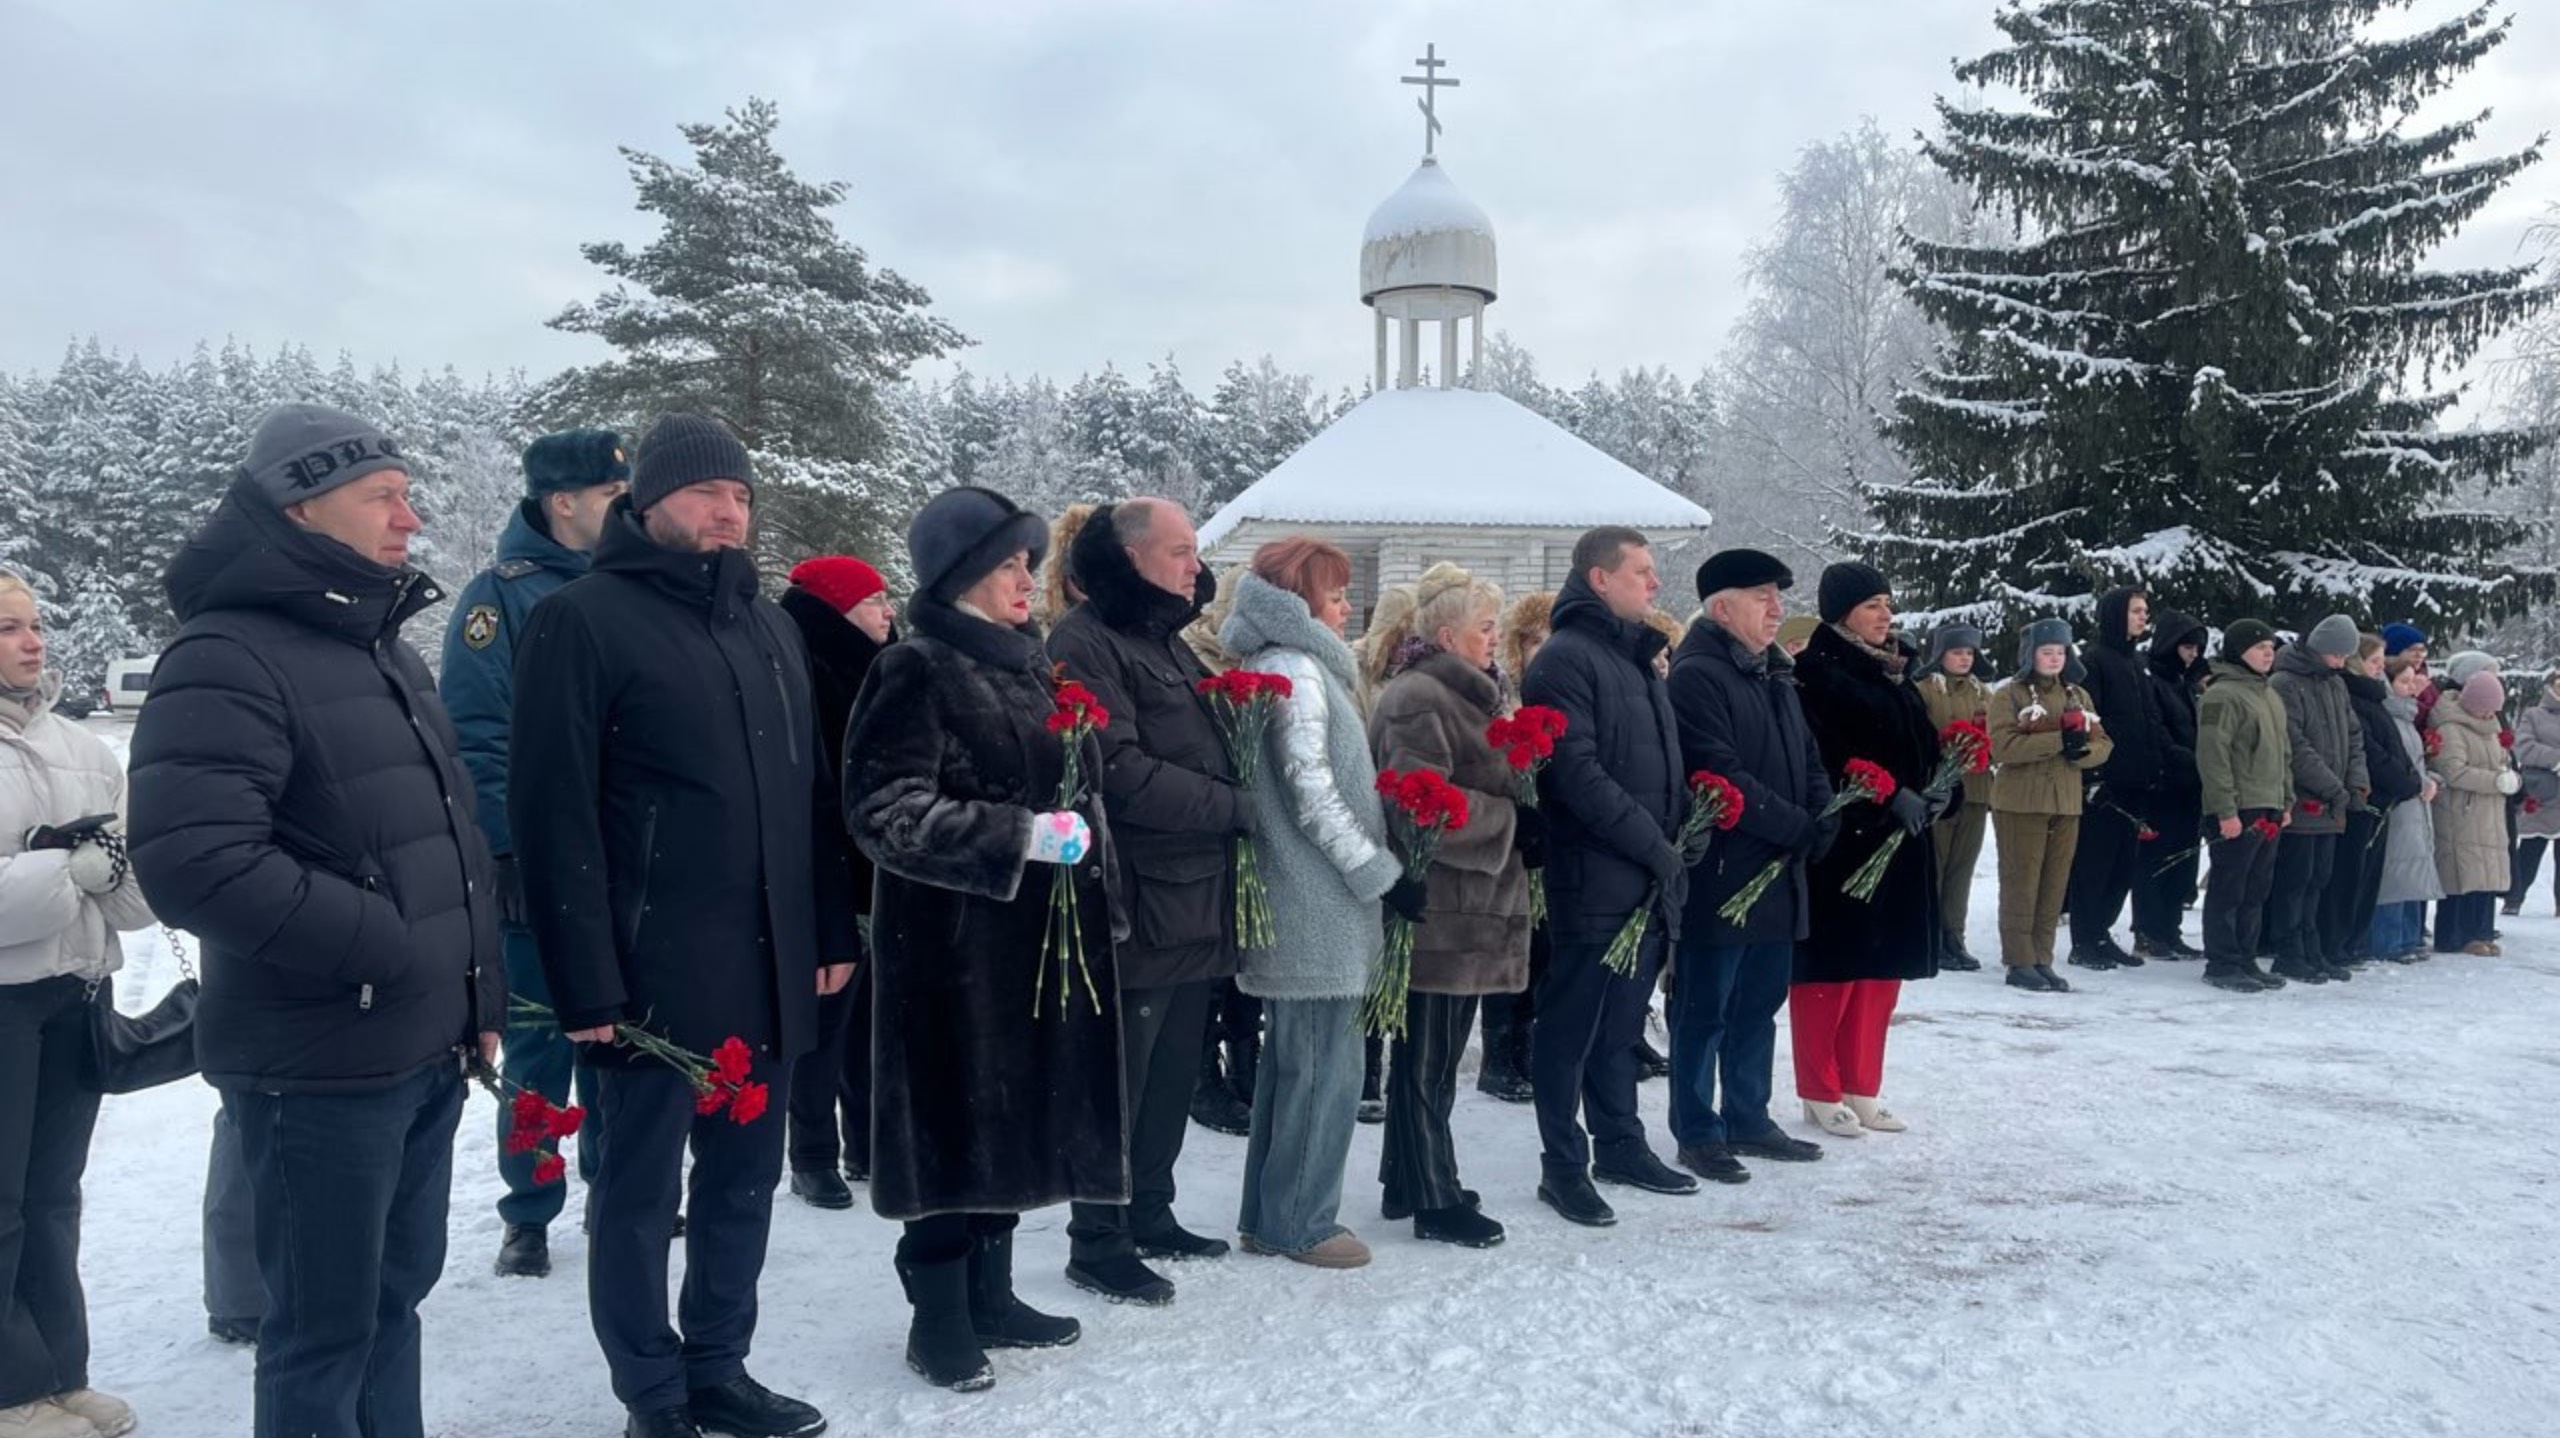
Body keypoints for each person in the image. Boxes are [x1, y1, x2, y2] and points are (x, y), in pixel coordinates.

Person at [129, 403, 504, 1438]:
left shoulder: (383, 650)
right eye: (382, 495)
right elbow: (196, 862)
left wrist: (473, 991)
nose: (410, 519)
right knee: (322, 1331)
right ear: (302, 504)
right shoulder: (227, 653)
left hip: (417, 1045)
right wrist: (388, 947)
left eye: (409, 494)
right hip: (318, 1061)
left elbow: (447, 844)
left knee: (391, 1304)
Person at [510, 414, 856, 1438]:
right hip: (649, 973)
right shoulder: (582, 620)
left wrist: (830, 927)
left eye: (742, 497)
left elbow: (812, 796)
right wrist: (585, 985)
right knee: (636, 1192)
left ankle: (719, 1366)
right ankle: (652, 1394)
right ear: (648, 503)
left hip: (772, 961)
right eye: (708, 494)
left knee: (744, 1185)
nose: (727, 512)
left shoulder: (768, 625)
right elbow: (551, 814)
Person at [844, 486, 1124, 1391]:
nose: (1026, 579)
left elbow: (1077, 789)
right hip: (950, 952)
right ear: (961, 575)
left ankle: (992, 1294)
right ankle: (938, 1315)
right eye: (1009, 563)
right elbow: (883, 811)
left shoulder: (1030, 668)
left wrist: (1097, 877)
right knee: (951, 1125)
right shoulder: (916, 668)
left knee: (1013, 1118)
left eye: (1028, 562)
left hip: (1039, 940)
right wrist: (1019, 837)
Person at [439, 427, 627, 1278]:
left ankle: (620, 1193)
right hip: (541, 867)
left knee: (625, 1037)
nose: (626, 511)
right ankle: (531, 1210)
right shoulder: (500, 602)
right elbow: (478, 738)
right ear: (564, 502)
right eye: (611, 498)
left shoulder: (632, 587)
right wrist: (506, 856)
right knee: (542, 1043)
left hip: (626, 863)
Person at [1047, 499, 1241, 1301]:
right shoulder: (1085, 642)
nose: (1195, 566)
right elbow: (1116, 771)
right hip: (1138, 898)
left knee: (1169, 1074)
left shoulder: (1162, 640)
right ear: (1129, 558)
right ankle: (1097, 1236)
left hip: (1195, 894)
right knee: (1122, 1080)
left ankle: (1150, 1210)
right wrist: (1236, 807)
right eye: (1180, 551)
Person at [1218, 539, 1403, 1266]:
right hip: (1315, 899)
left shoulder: (1292, 663)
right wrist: (1378, 872)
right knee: (1325, 1064)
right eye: (1333, 593)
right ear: (1298, 598)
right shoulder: (1292, 667)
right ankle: (1301, 1221)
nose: (1345, 606)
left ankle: (1273, 1215)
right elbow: (1311, 791)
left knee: (1299, 1063)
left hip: (1312, 897)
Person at [0, 571, 155, 1438]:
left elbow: (134, 895)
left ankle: (63, 1372)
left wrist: (113, 871)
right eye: (7, 628)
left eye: (34, 626)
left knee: (55, 1197)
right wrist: (66, 871)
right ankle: (7, 1388)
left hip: (74, 991)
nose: (32, 643)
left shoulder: (84, 749)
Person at [1517, 527, 1700, 1226]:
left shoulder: (1634, 658)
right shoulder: (1565, 660)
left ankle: (1620, 1143)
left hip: (1645, 875)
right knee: (1572, 1026)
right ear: (1600, 578)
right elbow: (1577, 774)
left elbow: (1662, 763)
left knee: (1622, 1023)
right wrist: (1654, 844)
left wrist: (1682, 830)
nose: (1655, 584)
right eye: (1642, 572)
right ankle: (1563, 1165)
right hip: (1593, 875)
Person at [1366, 563, 1532, 1247]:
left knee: (1429, 1059)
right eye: (1485, 627)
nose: (1496, 638)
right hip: (1440, 908)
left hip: (1471, 908)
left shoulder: (1471, 696)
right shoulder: (1419, 698)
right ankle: (1434, 1197)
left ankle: (1409, 1179)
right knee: (1427, 1062)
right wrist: (1513, 821)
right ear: (1445, 634)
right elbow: (1416, 803)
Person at [1664, 550, 1833, 1181]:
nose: (1776, 609)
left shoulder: (1773, 672)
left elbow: (1809, 757)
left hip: (1778, 872)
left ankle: (1747, 1115)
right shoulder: (1697, 676)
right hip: (1724, 874)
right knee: (1705, 1008)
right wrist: (1798, 825)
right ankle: (1698, 1129)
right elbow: (1716, 771)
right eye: (1763, 596)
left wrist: (1824, 813)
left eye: (1777, 596)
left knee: (1758, 1004)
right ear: (1722, 606)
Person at [1790, 563, 1947, 1132]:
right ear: (1841, 612)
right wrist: (1881, 800)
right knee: (1834, 971)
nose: (1886, 614)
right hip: (1847, 848)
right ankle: (1819, 1088)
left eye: (1888, 602)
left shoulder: (1895, 673)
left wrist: (1938, 788)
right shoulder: (1817, 673)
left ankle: (1862, 1085)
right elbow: (1821, 760)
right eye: (1872, 604)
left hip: (1901, 847)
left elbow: (1923, 745)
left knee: (1881, 971)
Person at [777, 555, 897, 1209]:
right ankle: (812, 1151)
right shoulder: (805, 670)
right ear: (836, 608)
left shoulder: (882, 666)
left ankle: (867, 1140)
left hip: (880, 868)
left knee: (872, 1020)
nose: (887, 611)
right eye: (874, 600)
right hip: (826, 871)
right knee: (825, 1022)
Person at [1179, 564, 1263, 1139]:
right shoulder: (1197, 658)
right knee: (1212, 967)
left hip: (1249, 831)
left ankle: (1248, 1067)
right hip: (1207, 828)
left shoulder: (1259, 667)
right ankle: (1202, 1078)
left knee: (1247, 957)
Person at [1989, 618, 2114, 995]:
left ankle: (2042, 957)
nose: (2055, 658)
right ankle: (2019, 959)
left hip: (2066, 802)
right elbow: (2002, 747)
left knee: (2054, 883)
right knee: (2021, 880)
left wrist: (2085, 752)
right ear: (2030, 655)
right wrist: (2060, 741)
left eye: (2061, 651)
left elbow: (2104, 742)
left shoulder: (2078, 695)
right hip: (2021, 802)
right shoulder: (2008, 695)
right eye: (2047, 652)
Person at [1476, 590, 1555, 1104]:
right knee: (1508, 946)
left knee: (1540, 947)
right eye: (1538, 642)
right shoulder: (1505, 697)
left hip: (1543, 838)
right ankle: (1498, 1051)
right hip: (1507, 838)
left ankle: (1525, 1040)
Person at [2064, 588, 2167, 971]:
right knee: (2096, 862)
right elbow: (2090, 721)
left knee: (2123, 864)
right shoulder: (2095, 661)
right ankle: (2084, 938)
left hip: (2138, 781)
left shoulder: (2137, 662)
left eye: (2145, 611)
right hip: (2106, 784)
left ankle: (2102, 933)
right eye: (2136, 611)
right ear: (2115, 615)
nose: (2144, 617)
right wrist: (2094, 775)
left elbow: (2149, 719)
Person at [2266, 615, 2370, 985]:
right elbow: (2295, 745)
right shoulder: (2285, 683)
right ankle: (2289, 950)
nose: (2342, 663)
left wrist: (2356, 781)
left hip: (2334, 802)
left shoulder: (2336, 685)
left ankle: (2313, 947)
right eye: (2337, 655)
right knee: (2296, 879)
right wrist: (2332, 787)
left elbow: (2354, 737)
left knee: (2319, 879)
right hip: (2304, 800)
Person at [2194, 622, 2292, 992]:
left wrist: (2286, 799)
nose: (2268, 653)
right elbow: (2213, 755)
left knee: (2256, 888)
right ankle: (2222, 961)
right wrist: (2225, 810)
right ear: (2238, 651)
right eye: (2259, 646)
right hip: (2238, 806)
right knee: (2229, 886)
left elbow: (2283, 752)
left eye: (2271, 646)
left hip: (2267, 803)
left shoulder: (2268, 694)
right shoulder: (2223, 696)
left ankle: (2245, 955)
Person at [2324, 635, 2423, 967]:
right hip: (2362, 797)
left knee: (2367, 877)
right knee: (2348, 876)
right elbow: (2369, 752)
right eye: (2374, 661)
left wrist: (2409, 779)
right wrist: (2404, 781)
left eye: (2382, 662)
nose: (2380, 668)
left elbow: (2394, 747)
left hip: (2385, 798)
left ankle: (2353, 941)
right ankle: (2339, 941)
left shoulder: (2374, 698)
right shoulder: (2350, 696)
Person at [2130, 611, 2210, 959]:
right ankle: (2148, 929)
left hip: (2190, 785)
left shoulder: (2185, 683)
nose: (2193, 654)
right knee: (2155, 861)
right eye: (2187, 647)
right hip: (2163, 785)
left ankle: (2169, 927)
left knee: (2182, 862)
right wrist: (2192, 761)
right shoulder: (2153, 679)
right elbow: (2156, 732)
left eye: (2197, 648)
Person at [1915, 623, 1992, 971]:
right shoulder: (1926, 690)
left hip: (1975, 790)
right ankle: (1929, 934)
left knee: (1962, 868)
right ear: (1940, 655)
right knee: (1936, 865)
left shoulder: (1984, 694)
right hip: (1939, 791)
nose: (1964, 659)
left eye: (1969, 653)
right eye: (1957, 652)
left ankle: (1953, 935)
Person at [2428, 671, 2516, 957]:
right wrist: (2494, 781)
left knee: (2485, 875)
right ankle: (2456, 935)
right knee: (2462, 874)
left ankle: (2480, 930)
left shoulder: (2489, 728)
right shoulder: (2451, 728)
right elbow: (2453, 771)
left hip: (2487, 811)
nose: (2492, 713)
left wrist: (2509, 777)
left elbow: (2499, 760)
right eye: (2488, 706)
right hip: (2461, 811)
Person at [2370, 654, 2443, 964]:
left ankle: (2406, 935)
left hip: (2415, 800)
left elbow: (2414, 762)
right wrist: (2416, 783)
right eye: (2403, 680)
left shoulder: (2407, 717)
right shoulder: (2388, 716)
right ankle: (2387, 940)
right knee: (2396, 870)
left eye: (2414, 680)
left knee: (2412, 866)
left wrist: (2430, 778)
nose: (2412, 686)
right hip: (2400, 801)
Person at [2506, 672, 2560, 917]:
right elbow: (2524, 746)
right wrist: (2556, 759)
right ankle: (2514, 898)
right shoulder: (2534, 715)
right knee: (2531, 847)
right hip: (2544, 792)